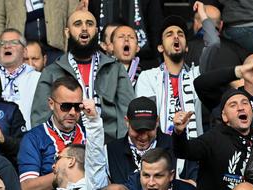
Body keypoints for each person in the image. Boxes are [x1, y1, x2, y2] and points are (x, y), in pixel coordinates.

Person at [30, 10, 134, 141]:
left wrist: (121, 145)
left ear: (96, 31)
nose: (84, 28)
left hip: (109, 142)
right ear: (67, 32)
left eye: (89, 24)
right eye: (78, 24)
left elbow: (127, 111)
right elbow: (40, 117)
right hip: (66, 144)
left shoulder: (115, 69)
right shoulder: (51, 71)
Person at [135, 16, 202, 141]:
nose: (176, 37)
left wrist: (203, 14)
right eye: (169, 34)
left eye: (180, 34)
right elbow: (147, 116)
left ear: (187, 47)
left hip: (193, 146)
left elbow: (213, 44)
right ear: (160, 47)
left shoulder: (197, 74)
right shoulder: (148, 77)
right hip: (161, 147)